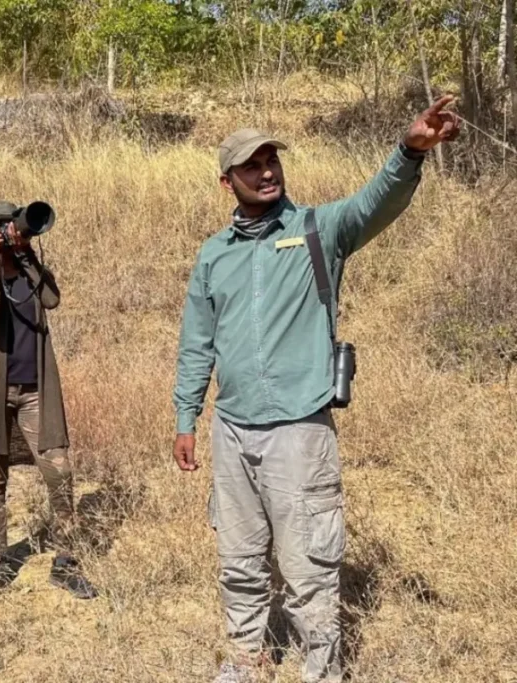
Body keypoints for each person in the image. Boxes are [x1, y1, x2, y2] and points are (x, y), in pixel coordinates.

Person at [172, 98, 460, 683]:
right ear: (227, 181)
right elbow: (196, 342)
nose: (267, 171)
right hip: (231, 429)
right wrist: (186, 416)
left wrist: (410, 152)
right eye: (252, 165)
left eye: (272, 159)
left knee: (308, 563)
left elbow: (373, 205)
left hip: (299, 428)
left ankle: (321, 668)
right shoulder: (213, 255)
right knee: (240, 558)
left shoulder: (317, 230)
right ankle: (246, 657)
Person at [0, 201, 96, 599]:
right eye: (2, 227)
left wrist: (26, 254)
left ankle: (66, 562)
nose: (12, 232)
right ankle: (0, 558)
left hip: (36, 388)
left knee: (60, 470)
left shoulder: (29, 270)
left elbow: (52, 299)